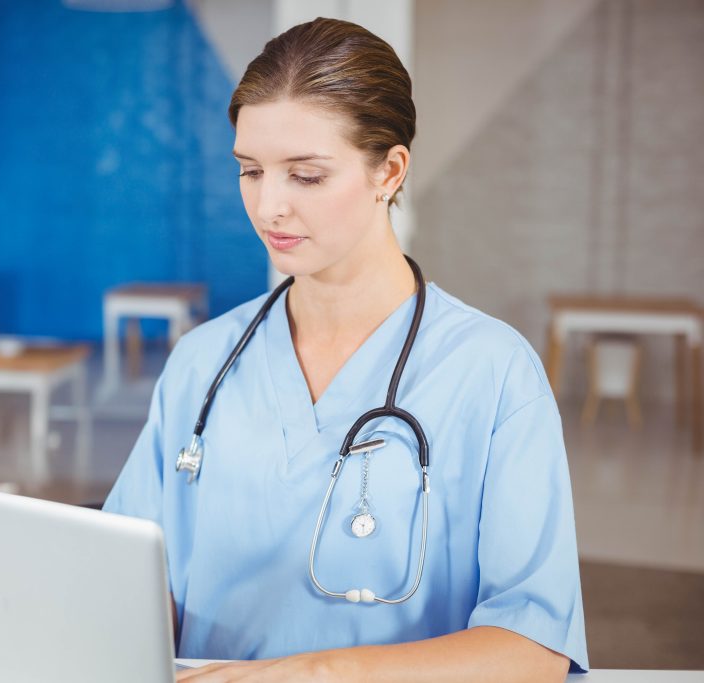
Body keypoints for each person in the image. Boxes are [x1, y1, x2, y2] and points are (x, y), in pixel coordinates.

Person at [102, 17, 588, 682]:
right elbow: (124, 579)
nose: (269, 206)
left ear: (389, 170)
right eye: (250, 170)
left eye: (305, 176)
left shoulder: (493, 373)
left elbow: (531, 650)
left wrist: (315, 672)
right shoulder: (203, 361)